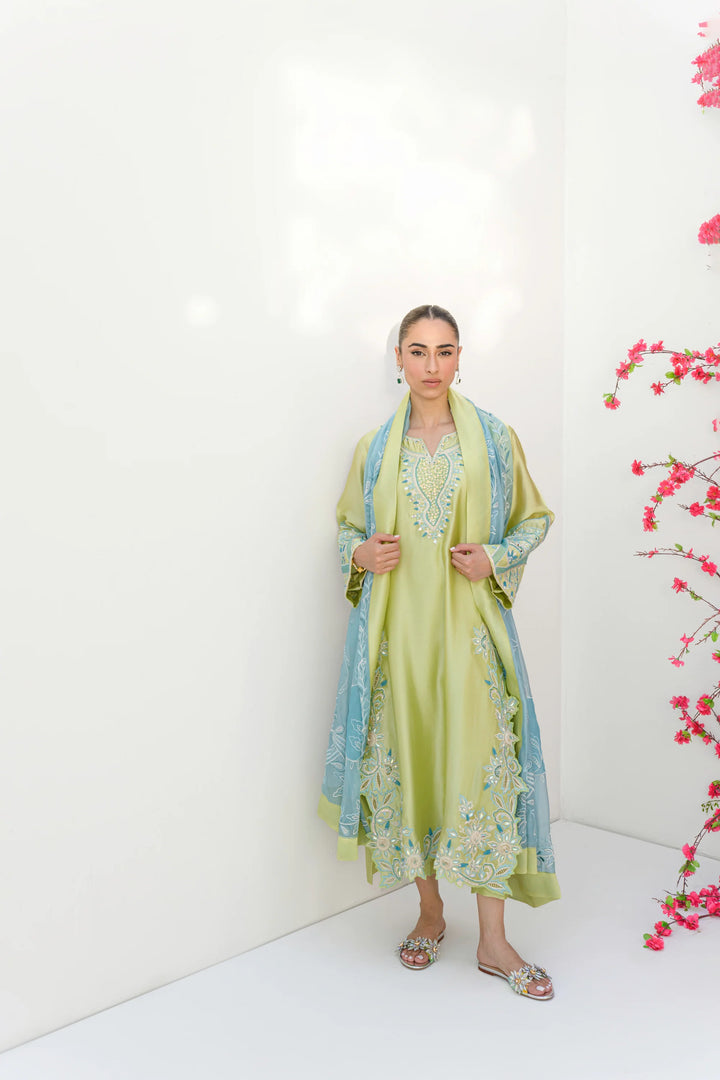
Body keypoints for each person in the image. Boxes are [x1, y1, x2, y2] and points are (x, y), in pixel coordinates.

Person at [318, 304, 560, 1000]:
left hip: (470, 638)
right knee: (413, 768)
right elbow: (345, 532)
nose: (431, 366)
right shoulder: (372, 449)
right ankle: (429, 912)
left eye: (444, 351)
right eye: (418, 351)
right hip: (399, 641)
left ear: (461, 358)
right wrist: (360, 552)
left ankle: (493, 940)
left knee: (488, 772)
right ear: (398, 358)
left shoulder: (493, 437)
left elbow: (535, 518)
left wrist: (495, 555)